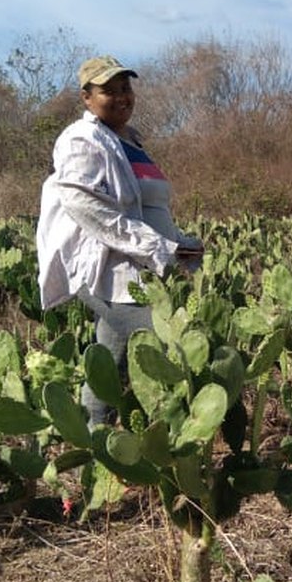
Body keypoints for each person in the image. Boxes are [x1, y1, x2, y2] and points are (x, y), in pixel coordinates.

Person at [36, 55, 203, 427]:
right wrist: (156, 247)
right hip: (108, 272)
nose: (121, 96)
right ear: (86, 98)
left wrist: (179, 242)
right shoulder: (82, 140)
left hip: (136, 272)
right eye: (108, 90)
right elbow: (86, 205)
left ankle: (94, 440)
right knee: (171, 352)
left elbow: (144, 208)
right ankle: (170, 446)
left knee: (109, 360)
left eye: (125, 87)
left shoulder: (130, 140)